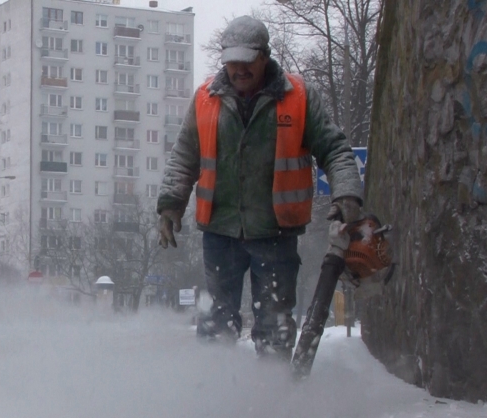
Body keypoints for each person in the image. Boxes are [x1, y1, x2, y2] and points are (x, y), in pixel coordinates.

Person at [156, 15, 364, 359]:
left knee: (274, 323)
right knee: (217, 321)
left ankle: (274, 394)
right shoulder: (206, 100)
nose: (239, 69)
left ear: (264, 56)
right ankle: (214, 390)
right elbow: (184, 156)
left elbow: (335, 148)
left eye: (247, 60)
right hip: (220, 231)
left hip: (275, 233)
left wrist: (346, 193)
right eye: (232, 61)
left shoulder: (298, 97)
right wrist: (169, 205)